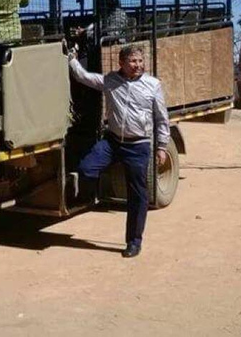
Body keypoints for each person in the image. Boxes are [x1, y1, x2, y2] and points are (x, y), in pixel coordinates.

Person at [68, 44, 170, 258]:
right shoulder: (110, 81)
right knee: (86, 168)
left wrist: (161, 146)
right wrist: (71, 59)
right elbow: (83, 77)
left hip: (139, 146)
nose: (138, 65)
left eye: (140, 61)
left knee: (137, 196)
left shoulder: (153, 85)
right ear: (121, 63)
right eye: (133, 61)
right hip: (112, 142)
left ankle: (134, 242)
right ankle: (90, 195)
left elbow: (161, 118)